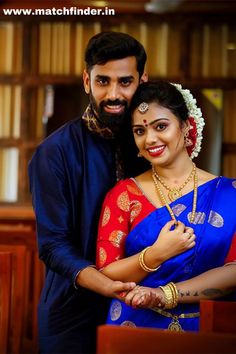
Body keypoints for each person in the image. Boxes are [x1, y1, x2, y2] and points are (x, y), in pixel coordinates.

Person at [28, 31, 150, 354]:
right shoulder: (53, 152)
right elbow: (53, 247)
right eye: (103, 81)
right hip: (72, 315)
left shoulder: (151, 148)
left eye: (125, 82)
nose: (114, 94)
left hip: (144, 308)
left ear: (142, 81)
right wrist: (106, 285)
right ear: (87, 80)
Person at [96, 80, 236, 332]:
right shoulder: (123, 195)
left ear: (185, 126)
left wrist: (165, 294)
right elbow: (107, 273)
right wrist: (155, 255)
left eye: (161, 126)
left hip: (210, 330)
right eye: (140, 131)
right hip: (135, 326)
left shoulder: (230, 194)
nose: (150, 139)